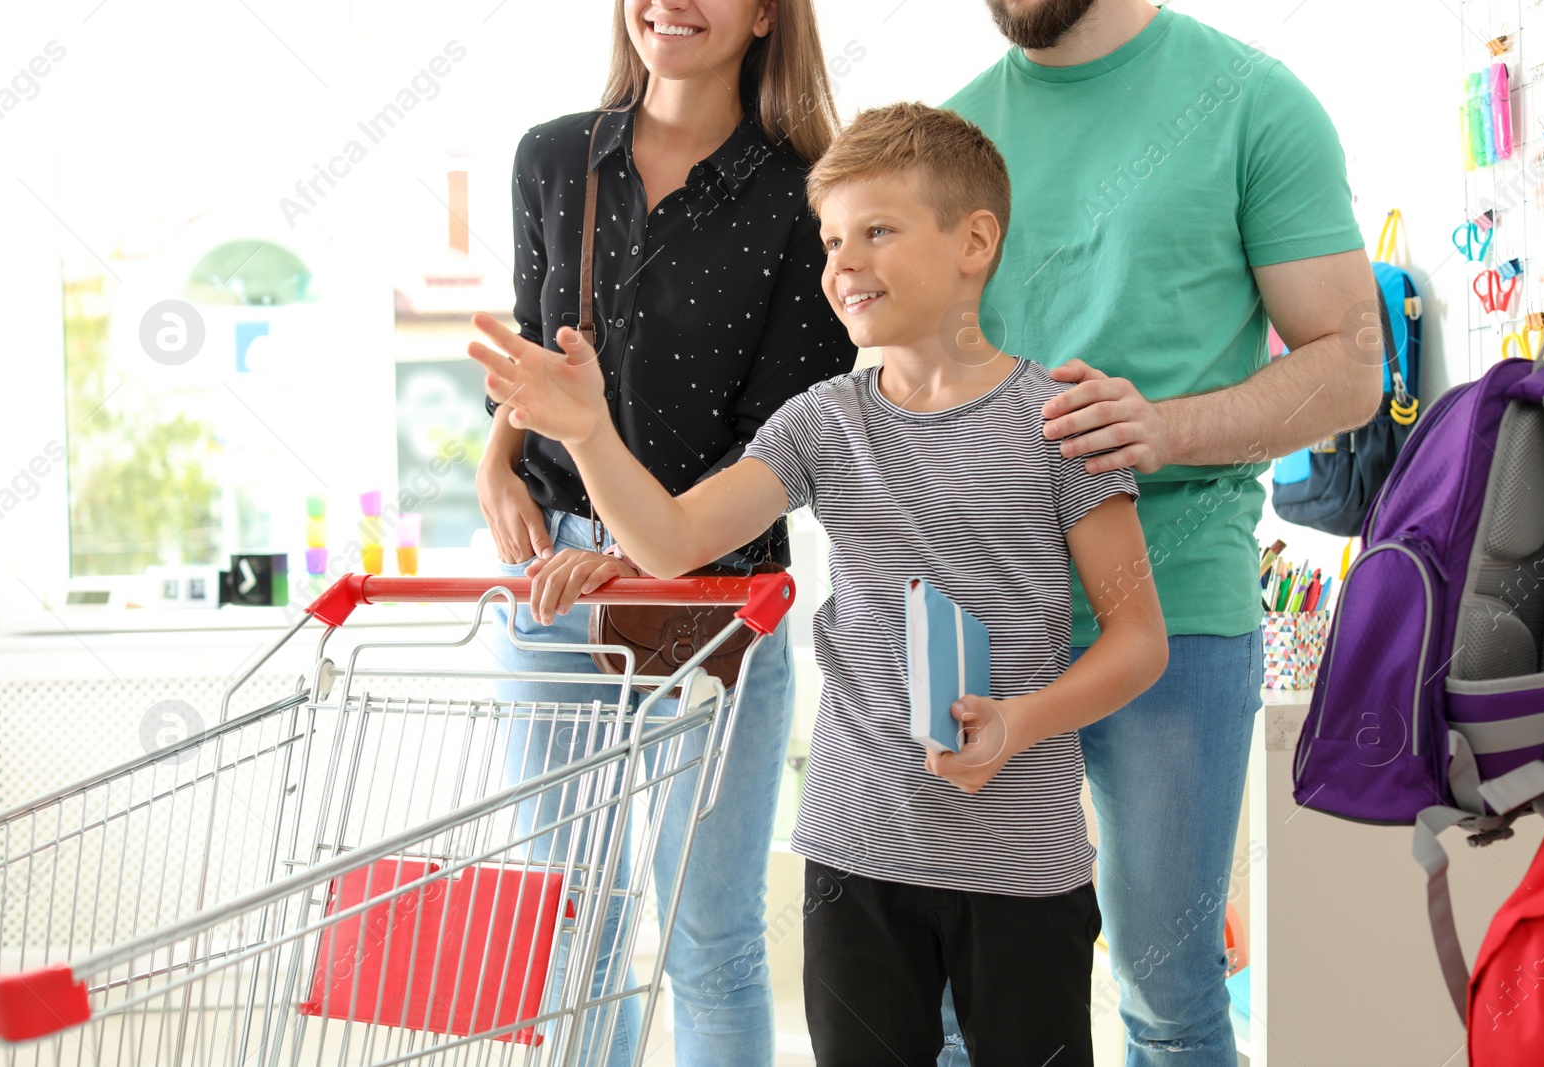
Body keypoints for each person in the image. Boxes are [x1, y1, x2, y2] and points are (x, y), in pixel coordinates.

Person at [472, 100, 1170, 1067]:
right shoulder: (819, 423)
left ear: (975, 242)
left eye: (878, 231)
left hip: (1023, 868)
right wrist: (590, 433)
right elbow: (673, 540)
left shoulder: (1061, 424)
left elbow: (1140, 640)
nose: (843, 263)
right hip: (853, 859)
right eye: (833, 238)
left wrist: (1023, 720)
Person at [938, 2, 1383, 1064]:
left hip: (1174, 612)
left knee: (1169, 996)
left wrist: (1163, 427)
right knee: (961, 1001)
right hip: (980, 618)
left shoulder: (1252, 105)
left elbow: (1353, 367)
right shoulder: (946, 139)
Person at [471, 1, 854, 1063]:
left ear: (767, 12)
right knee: (567, 922)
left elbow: (777, 441)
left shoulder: (808, 196)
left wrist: (639, 555)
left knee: (710, 935)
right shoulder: (555, 158)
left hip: (718, 603)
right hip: (552, 584)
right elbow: (535, 347)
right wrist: (493, 461)